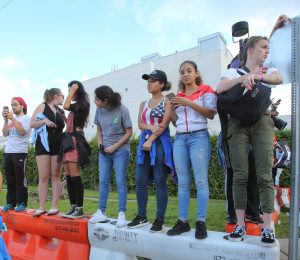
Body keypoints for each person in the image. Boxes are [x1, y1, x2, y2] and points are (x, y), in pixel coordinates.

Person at [216, 36, 283, 245]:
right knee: (240, 176)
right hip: (237, 124)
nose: (267, 51)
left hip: (262, 121)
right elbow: (220, 89)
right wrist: (243, 78)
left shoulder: (268, 70)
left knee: (264, 174)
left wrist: (258, 77)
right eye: (263, 47)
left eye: (268, 48)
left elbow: (278, 78)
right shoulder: (232, 71)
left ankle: (267, 228)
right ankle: (239, 225)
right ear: (250, 49)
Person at [167, 61, 217, 239]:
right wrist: (172, 109)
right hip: (180, 138)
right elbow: (175, 121)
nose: (185, 74)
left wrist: (188, 102)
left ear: (196, 73)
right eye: (182, 72)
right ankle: (183, 222)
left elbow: (210, 113)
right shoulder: (178, 95)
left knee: (201, 182)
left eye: (189, 71)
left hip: (199, 137)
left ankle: (201, 222)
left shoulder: (206, 90)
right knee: (182, 182)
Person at [127, 70, 176, 232]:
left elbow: (164, 124)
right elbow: (140, 124)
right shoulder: (143, 103)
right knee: (140, 181)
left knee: (160, 181)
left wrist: (150, 139)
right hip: (144, 143)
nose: (148, 83)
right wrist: (149, 128)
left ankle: (159, 219)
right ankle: (142, 216)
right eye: (147, 80)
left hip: (160, 143)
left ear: (161, 84)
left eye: (152, 80)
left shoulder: (166, 101)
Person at [89, 85, 132, 228]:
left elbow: (129, 132)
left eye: (97, 99)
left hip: (120, 150)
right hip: (105, 151)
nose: (94, 101)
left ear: (105, 100)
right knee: (103, 180)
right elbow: (99, 130)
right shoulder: (99, 110)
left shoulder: (122, 110)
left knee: (120, 181)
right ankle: (101, 212)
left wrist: (115, 146)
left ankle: (122, 213)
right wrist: (100, 145)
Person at [30, 88, 65, 217]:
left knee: (56, 176)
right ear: (56, 96)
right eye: (62, 96)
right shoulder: (42, 106)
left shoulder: (61, 111)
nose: (63, 98)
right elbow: (32, 124)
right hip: (43, 145)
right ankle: (41, 207)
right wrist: (44, 121)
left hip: (58, 145)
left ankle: (54, 207)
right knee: (43, 177)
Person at [58, 80, 91, 219]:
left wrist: (71, 92)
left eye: (70, 90)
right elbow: (71, 123)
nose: (68, 92)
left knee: (75, 176)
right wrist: (64, 119)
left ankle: (79, 208)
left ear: (77, 90)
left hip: (75, 141)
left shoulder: (83, 104)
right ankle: (73, 206)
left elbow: (65, 105)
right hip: (68, 140)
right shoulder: (75, 107)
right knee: (69, 177)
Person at [2, 97, 31, 212]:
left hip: (20, 152)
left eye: (15, 104)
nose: (13, 107)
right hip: (8, 152)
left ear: (22, 106)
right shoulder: (9, 119)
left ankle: (22, 202)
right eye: (11, 105)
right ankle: (10, 202)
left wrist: (12, 119)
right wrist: (5, 120)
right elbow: (5, 134)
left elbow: (22, 131)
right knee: (10, 179)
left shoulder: (27, 118)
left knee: (20, 179)